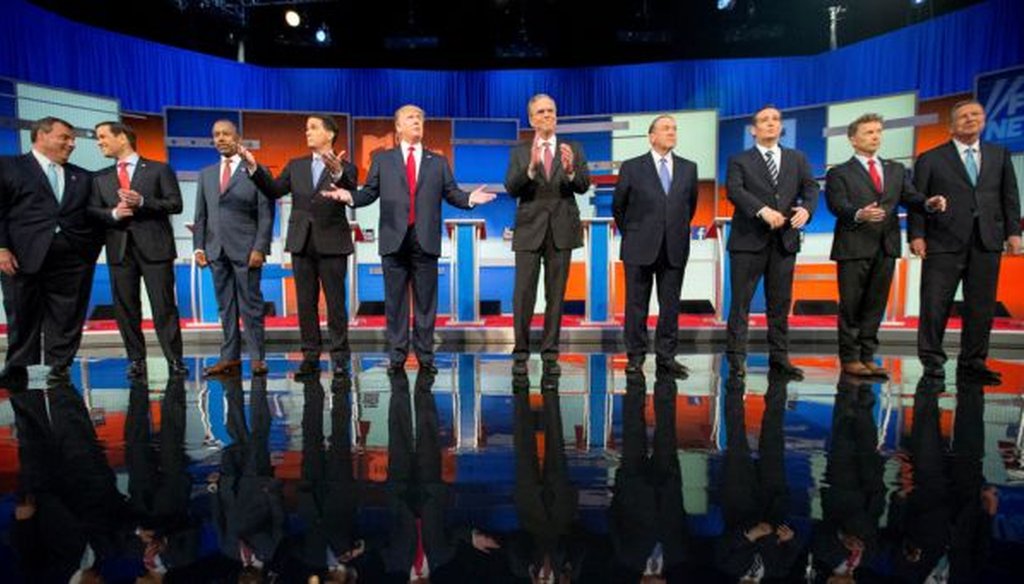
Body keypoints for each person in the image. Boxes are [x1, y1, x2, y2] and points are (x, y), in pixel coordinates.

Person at [323, 104, 495, 375]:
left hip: (425, 239)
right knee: (395, 302)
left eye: (420, 118)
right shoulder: (383, 159)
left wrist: (470, 199)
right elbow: (369, 193)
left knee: (427, 303)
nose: (416, 121)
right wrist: (349, 197)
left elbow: (452, 193)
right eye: (410, 118)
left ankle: (426, 356)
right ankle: (397, 355)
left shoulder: (437, 162)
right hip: (394, 238)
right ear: (398, 127)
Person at [824, 113, 946, 378]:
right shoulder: (838, 173)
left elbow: (910, 197)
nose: (876, 136)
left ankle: (867, 356)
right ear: (853, 139)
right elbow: (837, 205)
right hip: (854, 246)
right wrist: (860, 213)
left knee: (875, 305)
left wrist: (928, 203)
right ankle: (850, 357)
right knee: (852, 305)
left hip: (886, 245)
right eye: (869, 132)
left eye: (878, 131)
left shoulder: (895, 169)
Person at [909, 99, 1022, 383]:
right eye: (963, 116)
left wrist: (1014, 233)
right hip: (942, 241)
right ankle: (932, 361)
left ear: (984, 119)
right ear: (951, 126)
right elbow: (917, 201)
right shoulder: (930, 158)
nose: (970, 119)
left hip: (987, 241)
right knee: (935, 304)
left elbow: (1010, 197)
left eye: (976, 114)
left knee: (981, 306)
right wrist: (917, 235)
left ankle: (973, 362)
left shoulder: (999, 155)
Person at [245, 114, 359, 377]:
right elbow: (273, 190)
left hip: (332, 242)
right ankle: (310, 356)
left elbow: (351, 189)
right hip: (301, 242)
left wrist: (337, 172)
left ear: (330, 134)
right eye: (306, 128)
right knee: (305, 303)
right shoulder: (296, 166)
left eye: (314, 128)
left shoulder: (346, 167)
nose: (307, 132)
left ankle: (340, 357)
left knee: (335, 303)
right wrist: (255, 169)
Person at [0, 116, 101, 385]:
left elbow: (93, 215)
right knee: (21, 309)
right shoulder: (9, 167)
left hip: (73, 255)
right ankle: (18, 364)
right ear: (41, 136)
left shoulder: (82, 176)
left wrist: (90, 251)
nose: (72, 144)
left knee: (68, 313)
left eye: (73, 139)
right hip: (21, 254)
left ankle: (60, 364)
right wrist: (1, 248)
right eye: (65, 137)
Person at [725, 105, 819, 380]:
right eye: (764, 120)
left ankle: (779, 359)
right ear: (753, 129)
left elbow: (811, 188)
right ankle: (736, 360)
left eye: (775, 120)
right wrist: (762, 210)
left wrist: (807, 210)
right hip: (748, 241)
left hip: (784, 241)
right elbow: (735, 190)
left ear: (781, 127)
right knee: (740, 304)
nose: (770, 124)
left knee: (779, 304)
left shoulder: (797, 158)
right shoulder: (739, 160)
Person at [89, 121, 187, 378]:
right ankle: (136, 360)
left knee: (164, 306)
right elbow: (91, 211)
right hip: (119, 251)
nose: (99, 142)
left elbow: (175, 204)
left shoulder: (159, 170)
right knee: (126, 309)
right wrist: (112, 213)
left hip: (155, 249)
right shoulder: (100, 178)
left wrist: (143, 202)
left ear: (122, 138)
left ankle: (175, 360)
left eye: (103, 137)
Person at [505, 93, 591, 377]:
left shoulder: (573, 148)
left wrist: (569, 172)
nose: (547, 116)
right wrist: (529, 169)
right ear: (531, 118)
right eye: (541, 112)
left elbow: (583, 185)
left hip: (562, 230)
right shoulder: (520, 151)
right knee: (523, 295)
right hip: (529, 229)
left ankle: (550, 353)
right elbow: (511, 188)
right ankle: (520, 353)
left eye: (551, 111)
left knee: (556, 295)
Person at [613, 114, 698, 378]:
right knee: (636, 304)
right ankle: (635, 357)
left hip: (674, 245)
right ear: (652, 136)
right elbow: (619, 207)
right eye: (665, 128)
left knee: (670, 305)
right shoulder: (631, 167)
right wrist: (637, 231)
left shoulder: (688, 168)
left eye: (674, 128)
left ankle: (666, 357)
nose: (672, 132)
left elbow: (689, 207)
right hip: (639, 245)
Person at [193, 119, 274, 377]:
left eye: (226, 134)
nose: (220, 138)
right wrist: (198, 248)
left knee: (250, 305)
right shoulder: (206, 175)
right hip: (216, 251)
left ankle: (258, 358)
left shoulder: (255, 171)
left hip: (247, 250)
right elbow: (200, 216)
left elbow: (265, 214)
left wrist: (260, 247)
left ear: (237, 137)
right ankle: (229, 358)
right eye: (216, 134)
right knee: (225, 307)